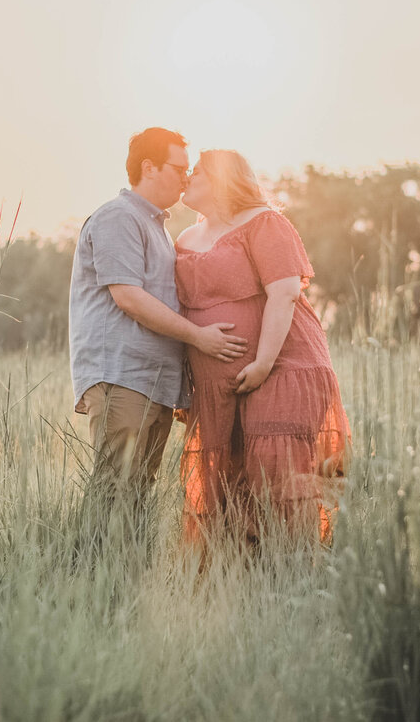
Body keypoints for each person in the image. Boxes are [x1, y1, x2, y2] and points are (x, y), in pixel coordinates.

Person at [69, 128, 248, 544]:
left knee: (136, 492)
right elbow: (128, 297)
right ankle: (91, 583)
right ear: (148, 168)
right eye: (178, 168)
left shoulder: (160, 230)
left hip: (154, 380)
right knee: (115, 489)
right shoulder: (119, 217)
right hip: (123, 374)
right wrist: (200, 338)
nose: (185, 178)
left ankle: (122, 583)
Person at [175, 149, 350, 548]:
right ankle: (238, 580)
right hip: (218, 384)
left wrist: (262, 364)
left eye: (196, 173)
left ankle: (291, 572)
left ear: (221, 179)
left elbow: (285, 293)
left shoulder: (264, 223)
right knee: (228, 474)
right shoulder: (185, 238)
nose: (187, 177)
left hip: (280, 366)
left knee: (276, 471)